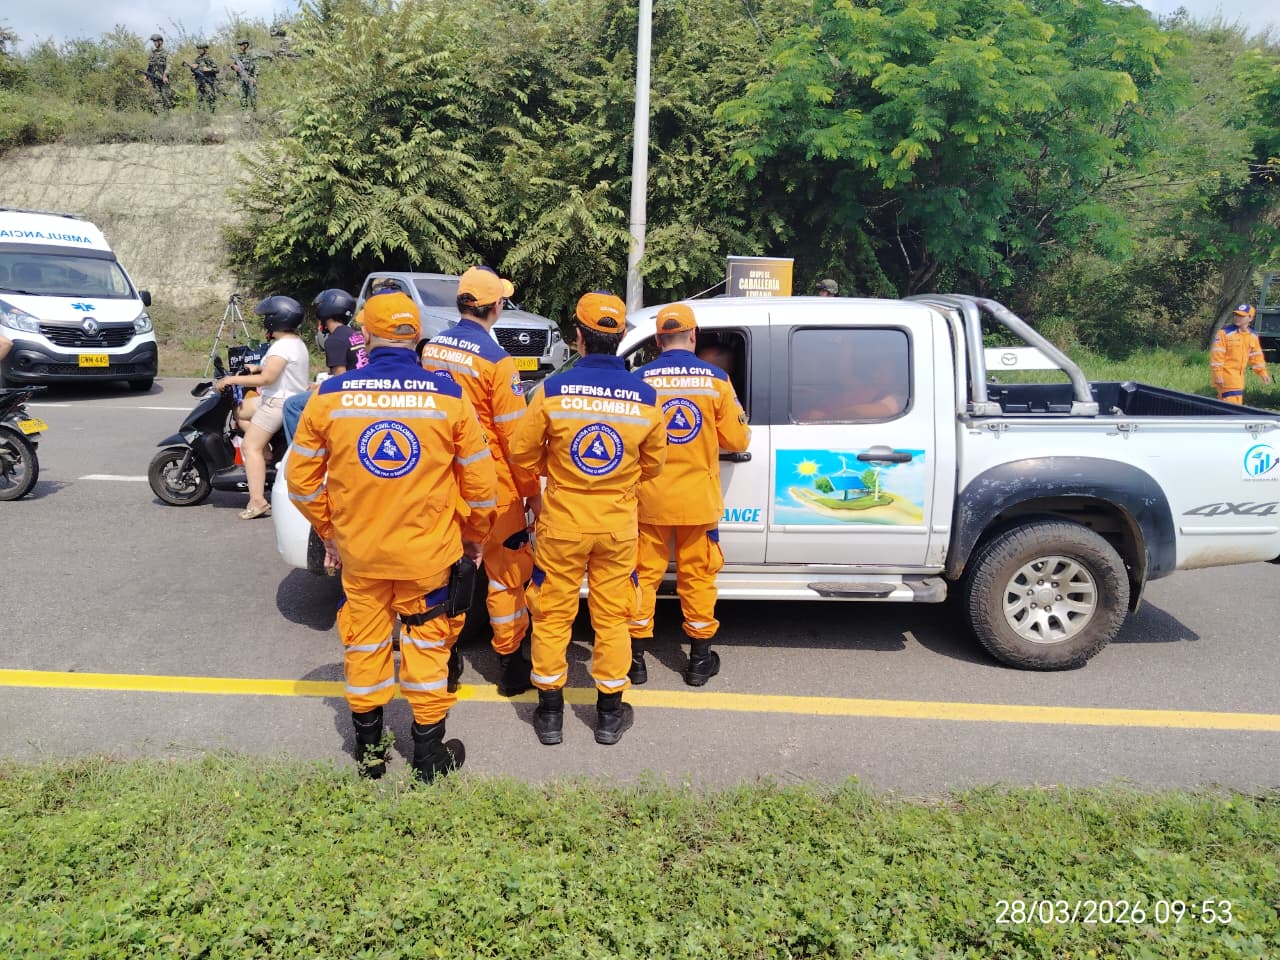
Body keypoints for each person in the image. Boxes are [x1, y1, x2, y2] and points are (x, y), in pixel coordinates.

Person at [286, 292, 497, 783]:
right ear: (416, 336)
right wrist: (474, 536)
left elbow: (300, 482)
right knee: (427, 646)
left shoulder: (330, 396)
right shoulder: (447, 398)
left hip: (361, 556)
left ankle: (370, 754)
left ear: (365, 336)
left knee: (365, 646)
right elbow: (482, 488)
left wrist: (330, 530)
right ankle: (428, 757)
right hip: (428, 555)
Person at [510, 291, 667, 747]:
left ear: (578, 338)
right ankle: (609, 715)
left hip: (562, 522)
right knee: (613, 617)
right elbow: (653, 465)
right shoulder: (645, 397)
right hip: (617, 524)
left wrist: (556, 468)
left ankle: (551, 714)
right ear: (620, 338)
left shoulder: (552, 390)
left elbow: (522, 453)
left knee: (553, 616)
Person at [420, 266, 542, 697]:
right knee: (507, 577)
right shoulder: (497, 361)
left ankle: (446, 663)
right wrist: (532, 493)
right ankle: (509, 667)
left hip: (444, 482)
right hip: (492, 486)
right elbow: (516, 439)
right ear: (497, 306)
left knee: (448, 578)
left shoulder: (432, 349)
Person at [630, 304, 751, 686]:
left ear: (659, 340)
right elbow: (737, 438)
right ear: (693, 336)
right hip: (698, 500)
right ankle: (699, 660)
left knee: (642, 577)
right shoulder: (716, 380)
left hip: (648, 499)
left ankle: (634, 659)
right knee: (697, 577)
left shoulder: (640, 380)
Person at [213, 295, 309, 519]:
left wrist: (231, 381)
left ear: (276, 320)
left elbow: (267, 379)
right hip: (282, 398)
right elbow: (273, 370)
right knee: (240, 410)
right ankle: (266, 452)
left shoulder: (281, 347)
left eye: (267, 317)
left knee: (249, 447)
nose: (265, 321)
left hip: (278, 402)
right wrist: (254, 367)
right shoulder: (293, 343)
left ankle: (257, 501)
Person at [282, 288, 366, 446]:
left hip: (349, 393)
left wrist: (317, 388)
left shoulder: (334, 340)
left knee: (291, 405)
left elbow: (341, 380)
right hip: (362, 386)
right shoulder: (354, 334)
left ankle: (296, 452)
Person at [1210, 303, 1272, 404]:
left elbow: (1257, 357)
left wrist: (1263, 373)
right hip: (1226, 377)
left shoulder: (1252, 336)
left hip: (1238, 379)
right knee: (1232, 409)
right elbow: (1217, 357)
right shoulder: (1224, 333)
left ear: (1250, 318)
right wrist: (1218, 374)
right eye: (1236, 315)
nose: (1237, 318)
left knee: (1229, 408)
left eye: (1241, 316)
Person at [184, 41, 219, 112]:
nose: (199, 50)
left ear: (205, 49)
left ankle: (212, 114)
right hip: (199, 82)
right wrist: (193, 69)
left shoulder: (210, 58)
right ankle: (201, 115)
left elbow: (217, 70)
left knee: (211, 98)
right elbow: (194, 69)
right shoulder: (197, 59)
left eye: (201, 49)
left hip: (208, 81)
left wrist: (209, 69)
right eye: (198, 49)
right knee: (200, 99)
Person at [228, 38, 258, 110]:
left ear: (246, 45)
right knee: (242, 95)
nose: (240, 47)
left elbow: (257, 67)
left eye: (242, 45)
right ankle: (244, 111)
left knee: (253, 95)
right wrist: (233, 66)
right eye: (240, 45)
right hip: (240, 78)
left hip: (250, 77)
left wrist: (255, 78)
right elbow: (229, 63)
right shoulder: (237, 56)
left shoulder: (252, 55)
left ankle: (255, 111)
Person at [145, 34, 172, 111]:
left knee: (166, 99)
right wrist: (146, 75)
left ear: (161, 42)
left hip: (163, 80)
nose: (154, 43)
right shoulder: (153, 54)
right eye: (154, 42)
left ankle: (168, 117)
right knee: (157, 100)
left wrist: (165, 75)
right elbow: (149, 66)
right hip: (155, 80)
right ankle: (161, 117)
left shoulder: (166, 53)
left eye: (156, 41)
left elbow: (168, 66)